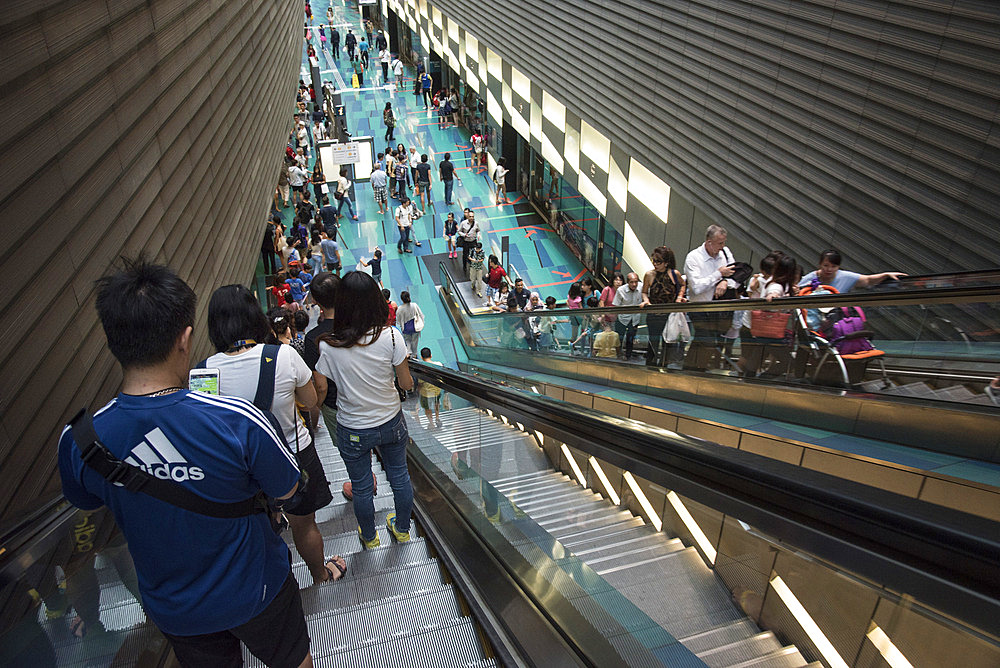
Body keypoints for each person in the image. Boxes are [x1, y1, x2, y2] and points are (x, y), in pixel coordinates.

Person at [58, 260, 319, 667]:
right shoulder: (237, 419)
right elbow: (287, 490)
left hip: (175, 608)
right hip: (258, 586)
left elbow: (89, 505)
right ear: (184, 338)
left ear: (113, 343)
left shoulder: (80, 441)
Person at [203, 285, 343, 588]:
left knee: (255, 529)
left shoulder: (203, 372)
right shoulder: (284, 356)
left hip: (240, 468)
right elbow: (310, 401)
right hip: (294, 455)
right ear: (255, 317)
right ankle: (319, 574)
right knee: (305, 526)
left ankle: (272, 587)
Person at [315, 272, 416, 549]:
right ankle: (403, 529)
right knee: (399, 476)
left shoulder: (328, 345)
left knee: (361, 487)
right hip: (390, 421)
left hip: (353, 427)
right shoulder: (392, 337)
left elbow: (323, 385)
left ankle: (370, 537)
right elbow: (405, 382)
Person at [683, 225, 736, 370]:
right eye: (720, 243)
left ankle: (692, 369)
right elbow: (696, 287)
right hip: (698, 307)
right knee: (707, 340)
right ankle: (694, 369)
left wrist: (725, 281)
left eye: (724, 242)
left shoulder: (725, 253)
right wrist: (719, 274)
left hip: (718, 308)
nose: (722, 246)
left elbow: (735, 277)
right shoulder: (694, 257)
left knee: (706, 341)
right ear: (709, 242)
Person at [642, 246, 686, 367]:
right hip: (653, 314)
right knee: (653, 343)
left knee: (668, 343)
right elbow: (644, 291)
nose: (655, 264)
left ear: (666, 263)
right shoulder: (649, 275)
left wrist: (679, 297)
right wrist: (646, 301)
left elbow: (683, 284)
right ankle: (650, 367)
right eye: (654, 260)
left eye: (658, 261)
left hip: (669, 315)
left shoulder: (674, 274)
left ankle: (664, 367)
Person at [798, 249, 907, 292]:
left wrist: (886, 274)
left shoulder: (845, 277)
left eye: (834, 266)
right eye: (826, 265)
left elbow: (868, 280)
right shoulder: (810, 278)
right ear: (820, 264)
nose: (829, 269)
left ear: (838, 267)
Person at [613, 272, 643, 360]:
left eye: (636, 282)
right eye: (632, 282)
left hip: (635, 319)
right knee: (619, 338)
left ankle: (628, 356)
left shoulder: (641, 287)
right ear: (627, 282)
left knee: (630, 339)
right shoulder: (621, 290)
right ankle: (618, 355)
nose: (634, 284)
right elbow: (616, 305)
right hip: (622, 318)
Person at [416, 348, 444, 427]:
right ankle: (437, 418)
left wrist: (418, 391)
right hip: (436, 391)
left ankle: (431, 423)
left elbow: (420, 383)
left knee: (427, 408)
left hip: (425, 393)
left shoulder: (421, 368)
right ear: (431, 355)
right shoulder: (439, 364)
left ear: (421, 357)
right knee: (436, 404)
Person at [396, 291, 425, 355]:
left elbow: (398, 321)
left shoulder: (400, 309)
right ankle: (414, 354)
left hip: (406, 328)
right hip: (415, 327)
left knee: (407, 340)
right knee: (415, 341)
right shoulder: (414, 305)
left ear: (402, 299)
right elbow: (421, 315)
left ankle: (408, 352)